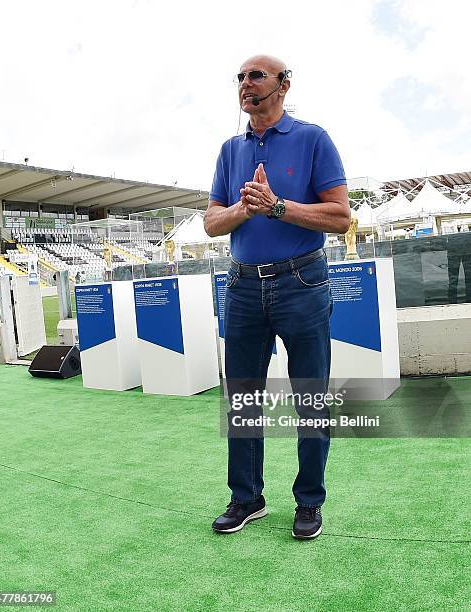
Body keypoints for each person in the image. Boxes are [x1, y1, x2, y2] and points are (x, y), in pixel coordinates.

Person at [204, 55, 350, 539]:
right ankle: (246, 498)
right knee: (242, 398)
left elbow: (339, 217)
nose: (245, 85)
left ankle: (309, 502)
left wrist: (279, 206)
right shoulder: (229, 150)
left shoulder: (313, 138)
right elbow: (211, 223)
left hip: (302, 283)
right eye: (240, 78)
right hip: (243, 285)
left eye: (256, 76)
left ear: (283, 85)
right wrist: (246, 208)